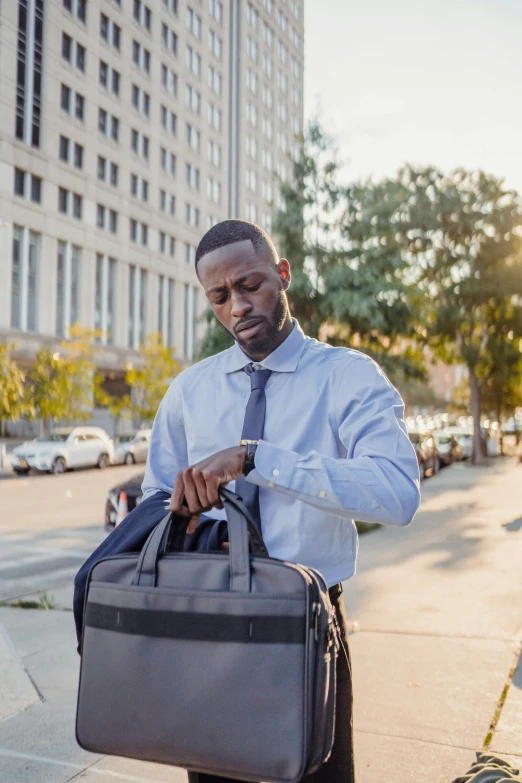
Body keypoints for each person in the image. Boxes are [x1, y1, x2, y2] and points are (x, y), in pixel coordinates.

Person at [141, 219, 421, 783]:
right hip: (208, 630)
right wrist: (180, 510)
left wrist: (255, 459)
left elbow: (398, 492)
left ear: (283, 275)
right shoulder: (189, 390)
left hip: (306, 632)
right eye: (219, 296)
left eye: (250, 285)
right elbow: (153, 499)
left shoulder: (346, 376)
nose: (238, 306)